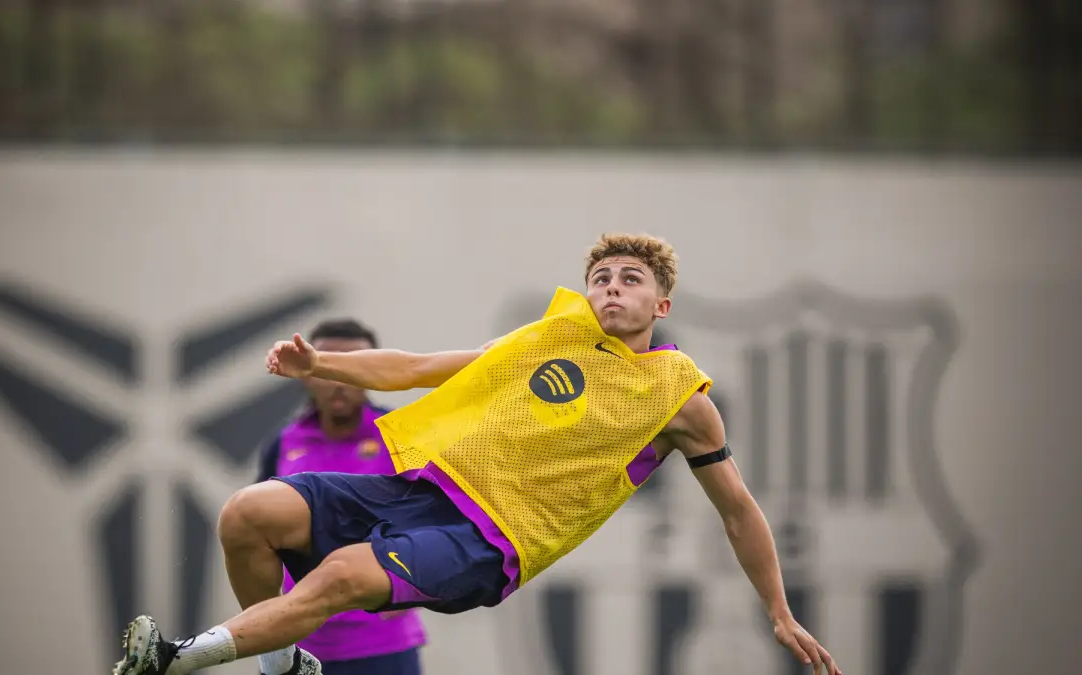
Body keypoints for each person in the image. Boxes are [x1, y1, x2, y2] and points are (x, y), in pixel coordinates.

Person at [112, 232, 842, 675]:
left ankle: (174, 658)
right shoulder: (549, 340)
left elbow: (739, 509)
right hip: (424, 489)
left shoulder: (682, 400)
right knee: (249, 512)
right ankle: (281, 665)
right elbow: (419, 366)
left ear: (662, 305)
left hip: (489, 541)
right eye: (601, 278)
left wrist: (777, 611)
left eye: (631, 279)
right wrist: (320, 367)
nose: (612, 288)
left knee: (337, 574)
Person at [253, 318, 426, 675]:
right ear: (305, 373)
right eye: (329, 364)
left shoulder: (405, 438)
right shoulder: (283, 443)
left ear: (377, 372)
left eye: (357, 365)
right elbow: (260, 534)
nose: (340, 380)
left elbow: (440, 520)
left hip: (382, 644)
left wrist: (417, 587)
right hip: (299, 643)